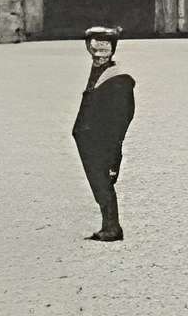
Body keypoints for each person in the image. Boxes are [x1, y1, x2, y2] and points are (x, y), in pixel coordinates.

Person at [72, 25, 137, 242]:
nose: (98, 56)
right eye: (94, 50)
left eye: (104, 50)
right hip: (92, 139)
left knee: (103, 182)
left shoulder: (118, 79)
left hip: (103, 141)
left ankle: (112, 227)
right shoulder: (101, 73)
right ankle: (109, 225)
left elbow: (122, 116)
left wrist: (113, 145)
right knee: (99, 182)